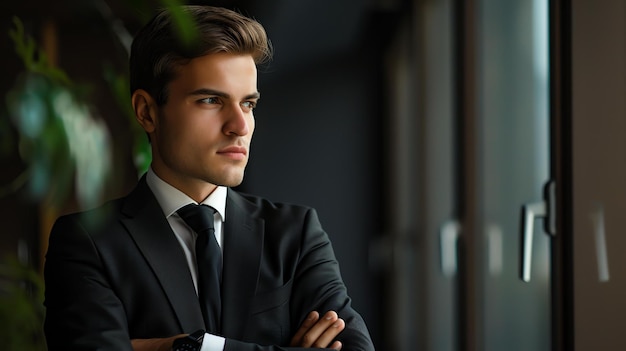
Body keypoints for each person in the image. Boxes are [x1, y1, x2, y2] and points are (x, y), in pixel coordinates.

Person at [43, 5, 374, 351]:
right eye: (211, 100)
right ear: (147, 111)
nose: (240, 126)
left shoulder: (296, 234)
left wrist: (191, 345)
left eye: (248, 103)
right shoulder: (88, 243)